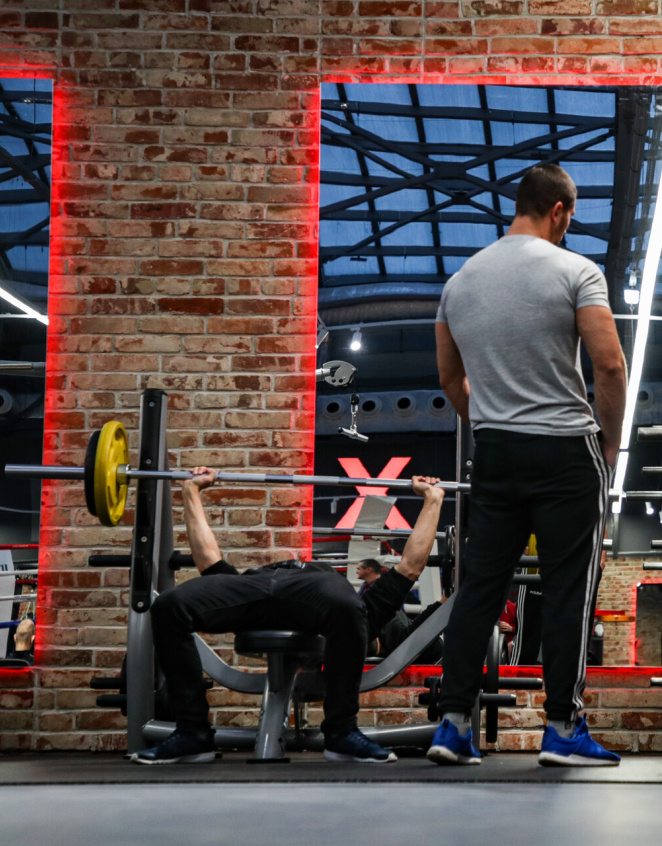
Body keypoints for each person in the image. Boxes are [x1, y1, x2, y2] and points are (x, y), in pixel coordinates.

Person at [432, 162, 627, 767]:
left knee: (479, 590)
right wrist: (611, 445)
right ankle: (563, 728)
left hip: (494, 451)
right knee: (568, 590)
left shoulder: (459, 282)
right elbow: (609, 366)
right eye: (570, 218)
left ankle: (452, 725)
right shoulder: (576, 270)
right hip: (566, 450)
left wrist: (495, 420)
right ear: (559, 211)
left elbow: (449, 380)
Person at [133, 468, 446, 765]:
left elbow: (410, 567)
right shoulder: (354, 612)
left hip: (313, 590)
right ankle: (192, 733)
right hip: (254, 586)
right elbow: (210, 564)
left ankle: (341, 732)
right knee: (169, 606)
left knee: (348, 607)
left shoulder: (352, 615)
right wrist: (191, 490)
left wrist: (434, 499)